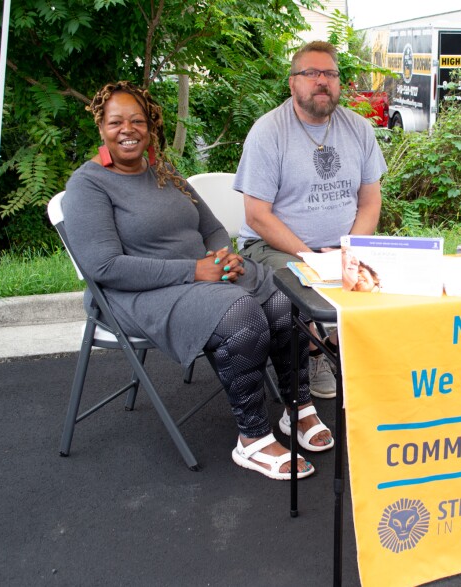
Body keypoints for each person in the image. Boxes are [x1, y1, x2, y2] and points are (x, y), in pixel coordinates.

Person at [61, 81, 332, 481]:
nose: (127, 129)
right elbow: (104, 267)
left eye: (137, 120)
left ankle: (298, 407)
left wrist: (221, 255)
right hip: (137, 293)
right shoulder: (87, 185)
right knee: (241, 315)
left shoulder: (164, 173)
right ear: (101, 127)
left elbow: (213, 228)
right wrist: (195, 270)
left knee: (282, 295)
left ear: (150, 127)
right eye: (116, 121)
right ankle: (253, 439)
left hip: (201, 277)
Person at [233, 40, 388, 399]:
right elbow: (257, 216)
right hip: (274, 246)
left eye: (330, 74)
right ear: (293, 83)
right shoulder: (268, 132)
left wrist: (348, 251)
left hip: (342, 245)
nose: (322, 81)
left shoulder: (359, 129)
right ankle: (316, 353)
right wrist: (312, 258)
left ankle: (355, 349)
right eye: (312, 73)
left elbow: (369, 204)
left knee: (391, 276)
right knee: (303, 289)